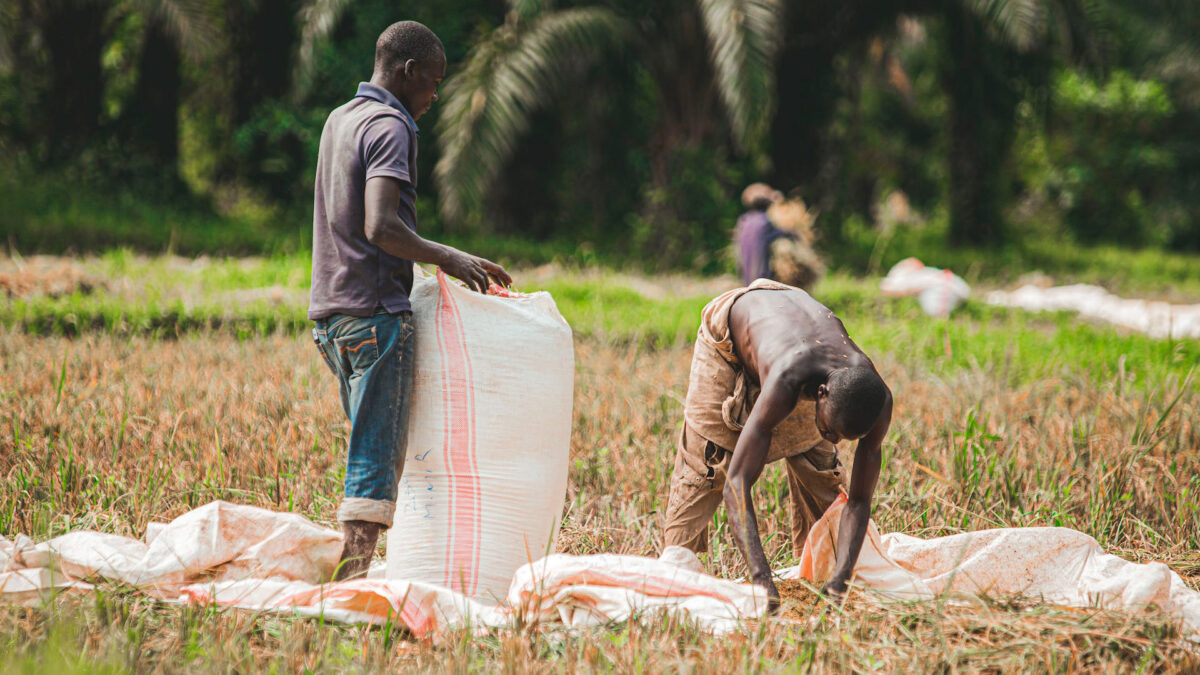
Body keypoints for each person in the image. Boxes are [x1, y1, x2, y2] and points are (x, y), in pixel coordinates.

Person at [308, 20, 512, 580]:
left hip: (331, 318)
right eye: (434, 81)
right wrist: (449, 257)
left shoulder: (339, 119)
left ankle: (371, 571)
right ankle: (350, 587)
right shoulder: (391, 124)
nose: (435, 95)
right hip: (375, 315)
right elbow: (380, 225)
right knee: (374, 458)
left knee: (373, 446)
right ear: (409, 71)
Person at [661, 280, 892, 606]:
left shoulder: (876, 400)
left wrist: (841, 579)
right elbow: (736, 484)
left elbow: (859, 500)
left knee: (819, 465)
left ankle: (817, 570)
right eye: (832, 428)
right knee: (708, 462)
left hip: (794, 334)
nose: (835, 439)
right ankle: (675, 573)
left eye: (845, 437)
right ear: (821, 394)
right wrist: (761, 578)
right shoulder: (788, 379)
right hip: (730, 335)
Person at [734, 183, 789, 286]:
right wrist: (793, 234)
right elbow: (781, 234)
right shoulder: (765, 222)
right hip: (761, 274)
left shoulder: (743, 220)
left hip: (745, 273)